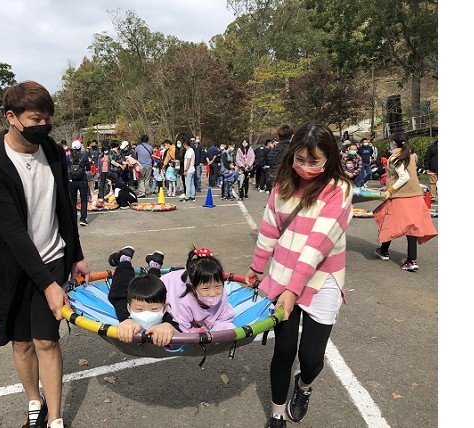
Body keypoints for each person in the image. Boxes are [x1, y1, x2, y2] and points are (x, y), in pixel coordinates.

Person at [0, 81, 90, 428]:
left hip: (52, 258)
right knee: (22, 343)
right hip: (11, 267)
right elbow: (12, 232)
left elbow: (65, 206)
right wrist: (48, 286)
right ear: (12, 117)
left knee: (46, 341)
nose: (44, 125)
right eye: (36, 119)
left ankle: (55, 418)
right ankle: (34, 401)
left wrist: (76, 254)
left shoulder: (51, 150)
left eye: (48, 118)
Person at [245, 122, 354, 428]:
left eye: (314, 161)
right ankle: (277, 413)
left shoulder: (339, 190)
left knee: (311, 359)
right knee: (283, 349)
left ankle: (304, 385)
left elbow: (317, 246)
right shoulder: (283, 185)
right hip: (283, 275)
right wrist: (257, 267)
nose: (306, 167)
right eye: (300, 160)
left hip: (322, 279)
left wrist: (294, 290)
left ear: (329, 158)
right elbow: (269, 230)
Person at [374, 132, 437, 272]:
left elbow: (404, 177)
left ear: (394, 142)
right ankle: (411, 260)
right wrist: (388, 186)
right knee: (411, 228)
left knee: (388, 223)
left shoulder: (395, 157)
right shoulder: (410, 155)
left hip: (400, 197)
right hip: (415, 196)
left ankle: (384, 251)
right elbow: (407, 176)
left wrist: (390, 190)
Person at [106, 247, 179, 346]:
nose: (147, 314)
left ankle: (155, 264)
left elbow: (177, 327)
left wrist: (169, 326)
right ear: (129, 308)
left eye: (154, 309)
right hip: (126, 300)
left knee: (154, 289)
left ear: (165, 308)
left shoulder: (167, 315)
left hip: (148, 300)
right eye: (139, 309)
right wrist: (126, 321)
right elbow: (124, 320)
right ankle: (125, 259)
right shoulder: (125, 310)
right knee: (118, 292)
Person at [160, 247, 235, 333]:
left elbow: (225, 319)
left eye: (218, 286)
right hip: (166, 286)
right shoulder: (185, 302)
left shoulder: (222, 296)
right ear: (192, 288)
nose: (213, 293)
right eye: (206, 288)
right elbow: (181, 328)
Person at [67, 140, 91, 226]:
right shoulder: (84, 157)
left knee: (72, 200)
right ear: (80, 148)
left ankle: (73, 218)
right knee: (84, 199)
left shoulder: (68, 157)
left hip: (71, 181)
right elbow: (88, 168)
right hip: (82, 180)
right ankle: (83, 219)